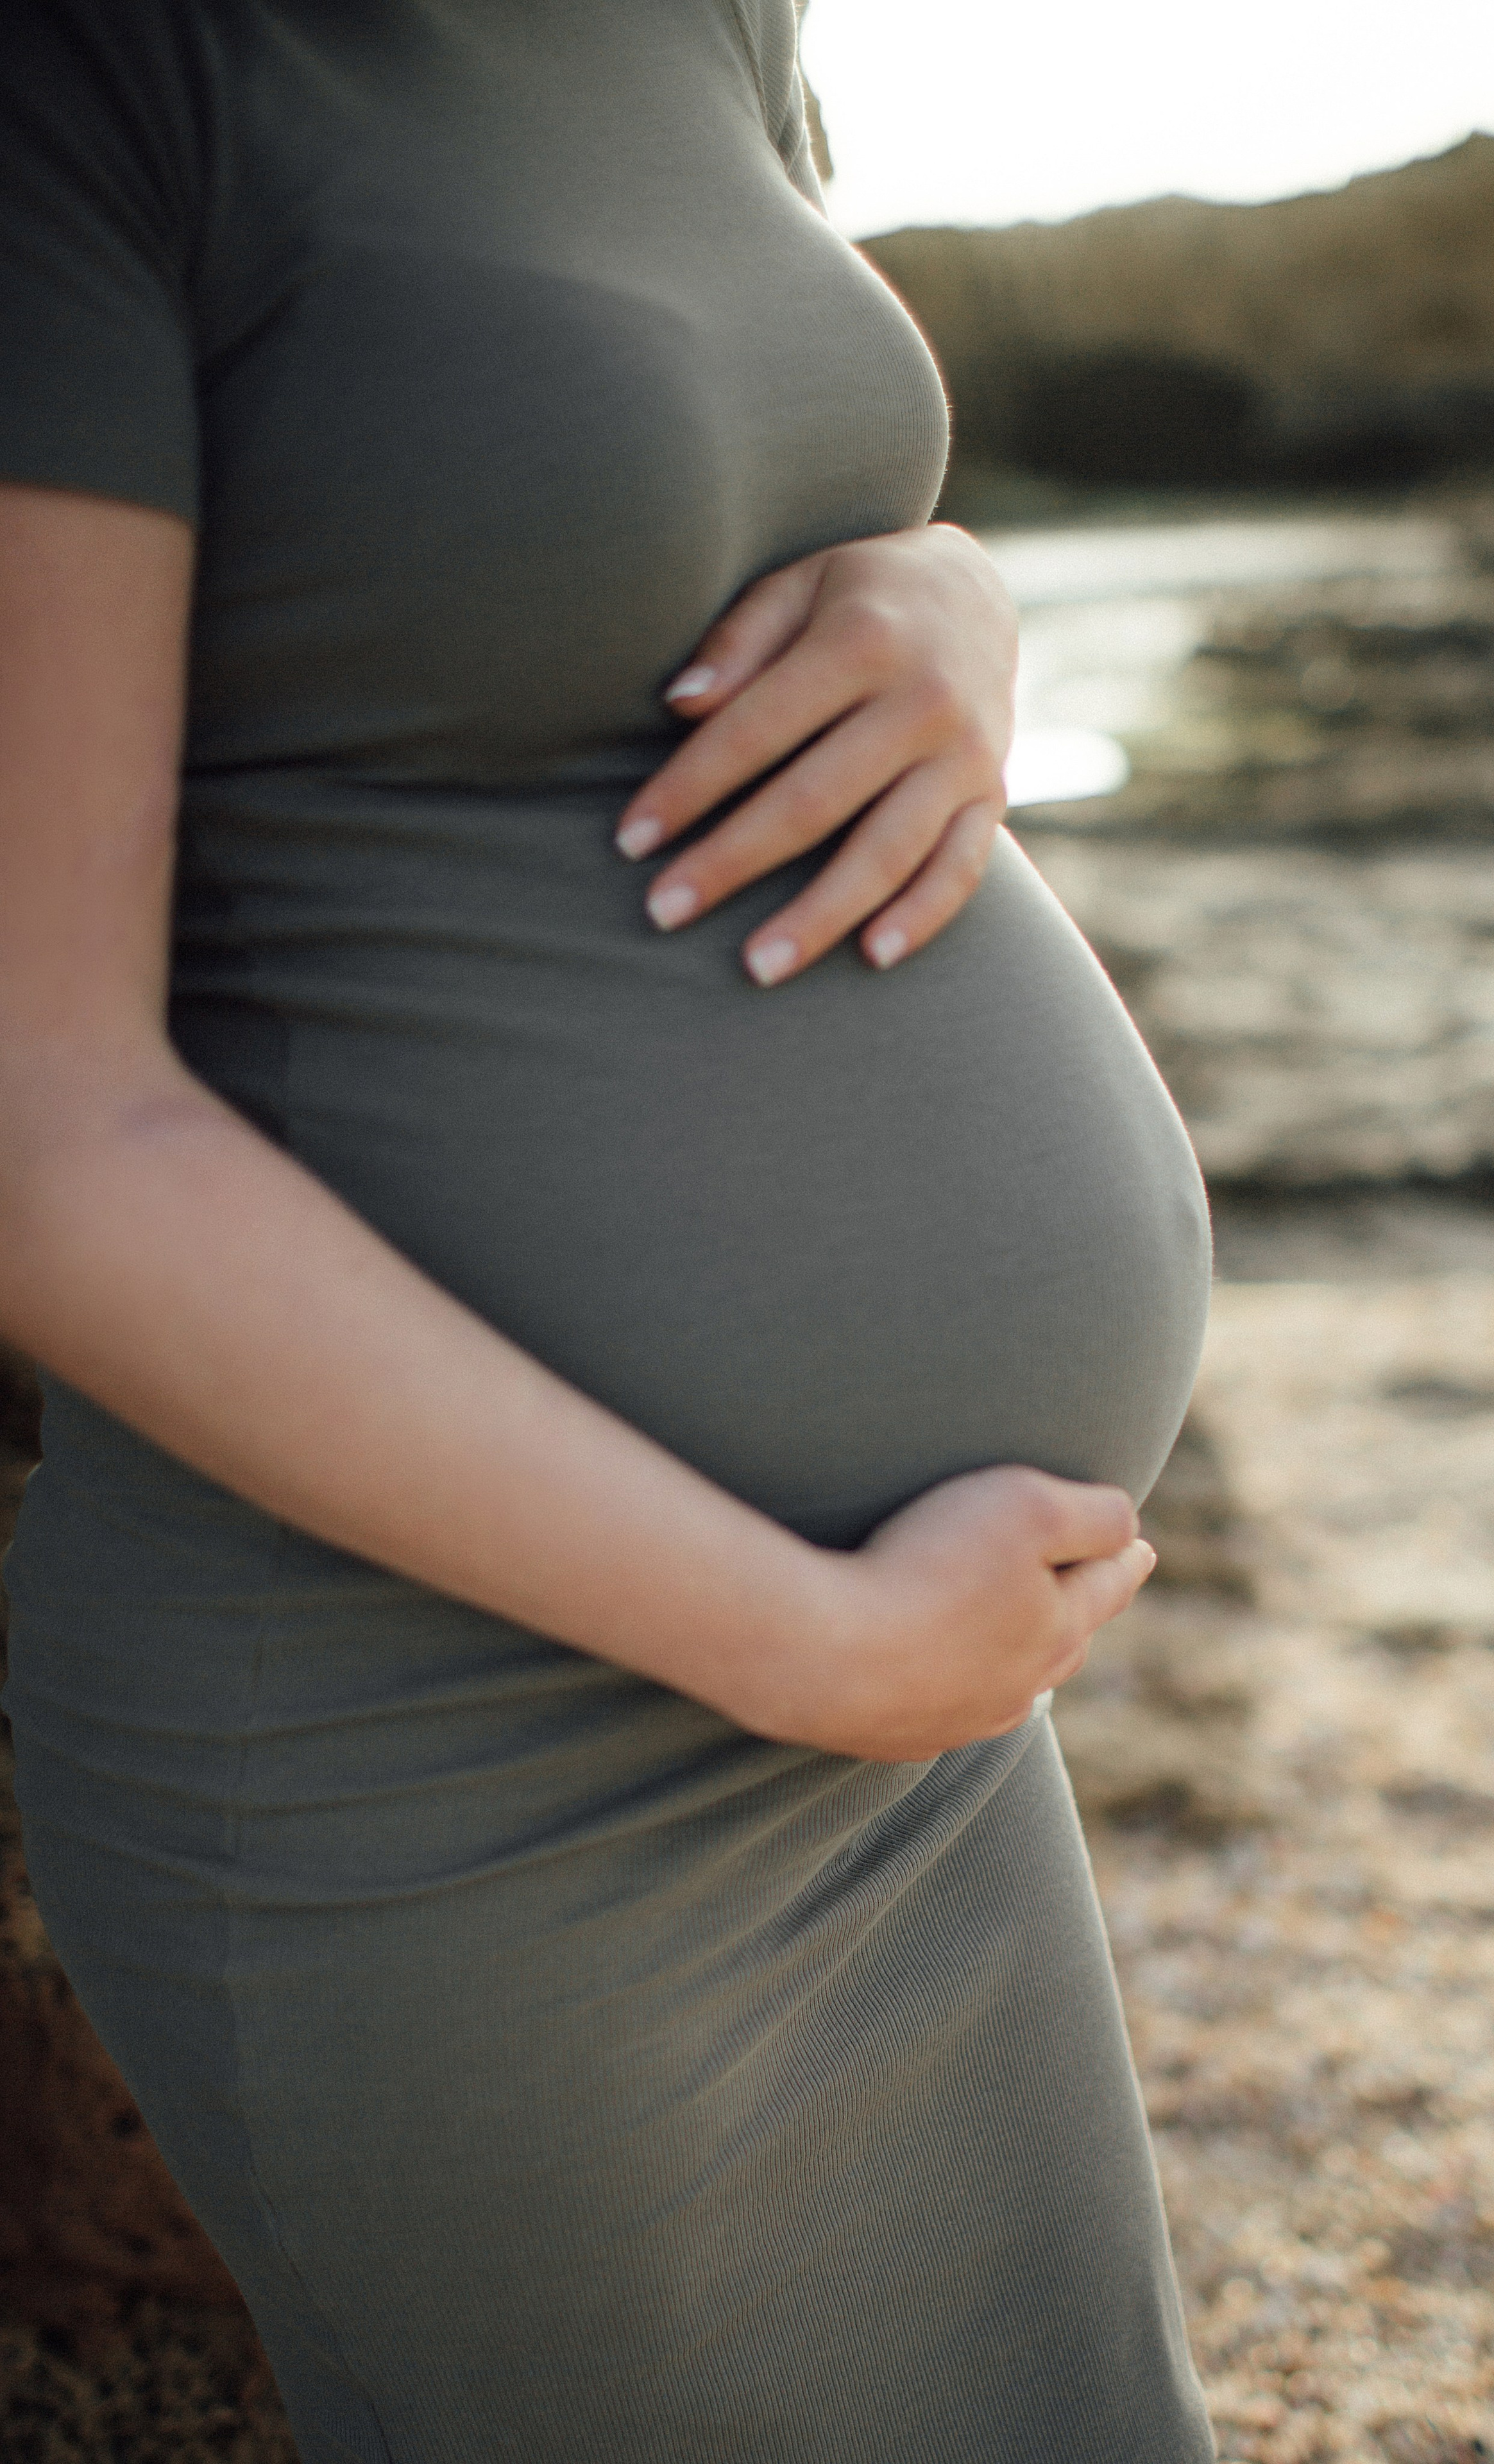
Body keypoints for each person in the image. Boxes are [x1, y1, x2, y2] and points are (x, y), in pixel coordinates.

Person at [0, 2, 1216, 2457]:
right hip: (442, 1742)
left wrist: (948, 596)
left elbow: (736, 487)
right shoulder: (100, 75)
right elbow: (42, 1126)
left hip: (900, 1721)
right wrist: (814, 1639)